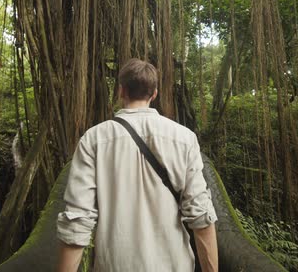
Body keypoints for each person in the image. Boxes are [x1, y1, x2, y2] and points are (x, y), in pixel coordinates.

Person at [56, 58, 218, 272]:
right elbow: (201, 216)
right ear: (155, 94)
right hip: (173, 265)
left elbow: (77, 221)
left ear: (121, 91)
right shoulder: (184, 138)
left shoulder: (93, 139)